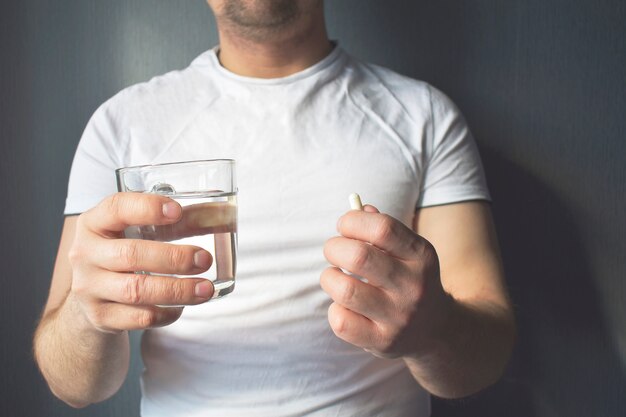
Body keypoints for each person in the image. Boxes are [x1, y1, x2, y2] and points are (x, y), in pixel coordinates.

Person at [33, 1, 516, 416]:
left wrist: (434, 333)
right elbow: (73, 386)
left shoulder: (425, 117)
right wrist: (86, 314)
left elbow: (485, 358)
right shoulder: (121, 125)